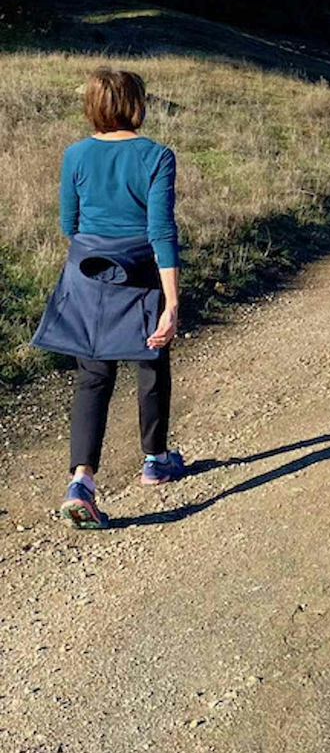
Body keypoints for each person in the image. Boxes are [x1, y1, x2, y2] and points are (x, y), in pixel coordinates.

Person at [32, 68, 184, 529]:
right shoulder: (157, 156)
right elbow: (161, 230)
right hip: (140, 273)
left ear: (94, 105)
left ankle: (82, 480)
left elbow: (68, 224)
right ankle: (155, 459)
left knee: (93, 374)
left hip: (88, 273)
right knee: (152, 359)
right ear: (136, 104)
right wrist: (172, 302)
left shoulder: (75, 154)